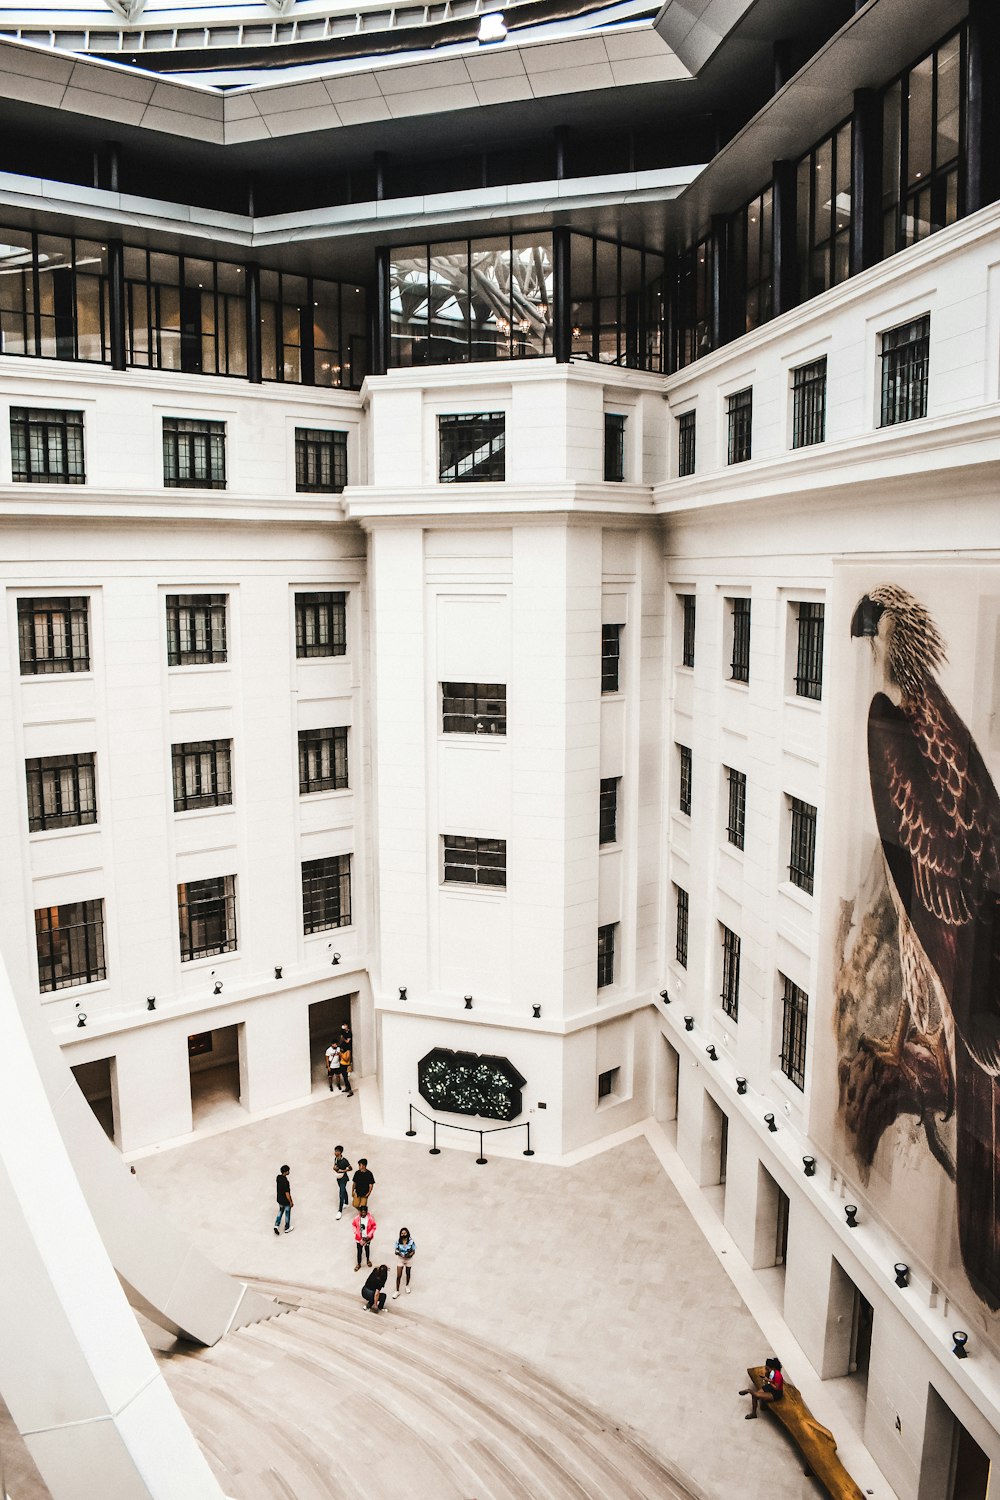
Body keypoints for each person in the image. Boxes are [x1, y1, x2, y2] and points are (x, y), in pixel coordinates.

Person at [393, 1227, 416, 1298]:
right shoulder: (398, 1241)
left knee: (408, 1273)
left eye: (405, 1233)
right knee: (398, 1275)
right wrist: (399, 1253)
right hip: (401, 1259)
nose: (403, 1234)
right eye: (402, 1233)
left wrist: (409, 1255)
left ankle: (407, 1285)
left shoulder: (411, 1242)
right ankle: (397, 1291)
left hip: (409, 1259)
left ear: (407, 1233)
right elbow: (396, 1251)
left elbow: (413, 1251)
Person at [332, 1145, 352, 1219]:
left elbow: (350, 1168)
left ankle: (339, 1211)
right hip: (338, 1178)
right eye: (335, 1151)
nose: (335, 1152)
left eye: (337, 1151)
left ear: (340, 1152)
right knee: (343, 1190)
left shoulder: (345, 1161)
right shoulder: (336, 1159)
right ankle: (346, 1203)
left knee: (341, 1194)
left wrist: (343, 1171)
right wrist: (334, 1168)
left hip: (343, 1178)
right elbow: (335, 1165)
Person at [274, 1165, 293, 1235]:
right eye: (288, 1171)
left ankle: (276, 1225)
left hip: (279, 1199)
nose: (289, 1172)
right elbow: (287, 1193)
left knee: (280, 1211)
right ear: (286, 1172)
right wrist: (290, 1202)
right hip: (285, 1201)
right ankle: (287, 1228)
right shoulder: (286, 1182)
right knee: (287, 1213)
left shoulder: (278, 1178)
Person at [338, 1028, 354, 1097]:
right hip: (342, 1064)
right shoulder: (343, 1045)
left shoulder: (348, 1050)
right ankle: (347, 1088)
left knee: (346, 1078)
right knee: (344, 1077)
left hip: (345, 1065)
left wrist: (341, 1055)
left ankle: (350, 1090)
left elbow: (347, 1059)